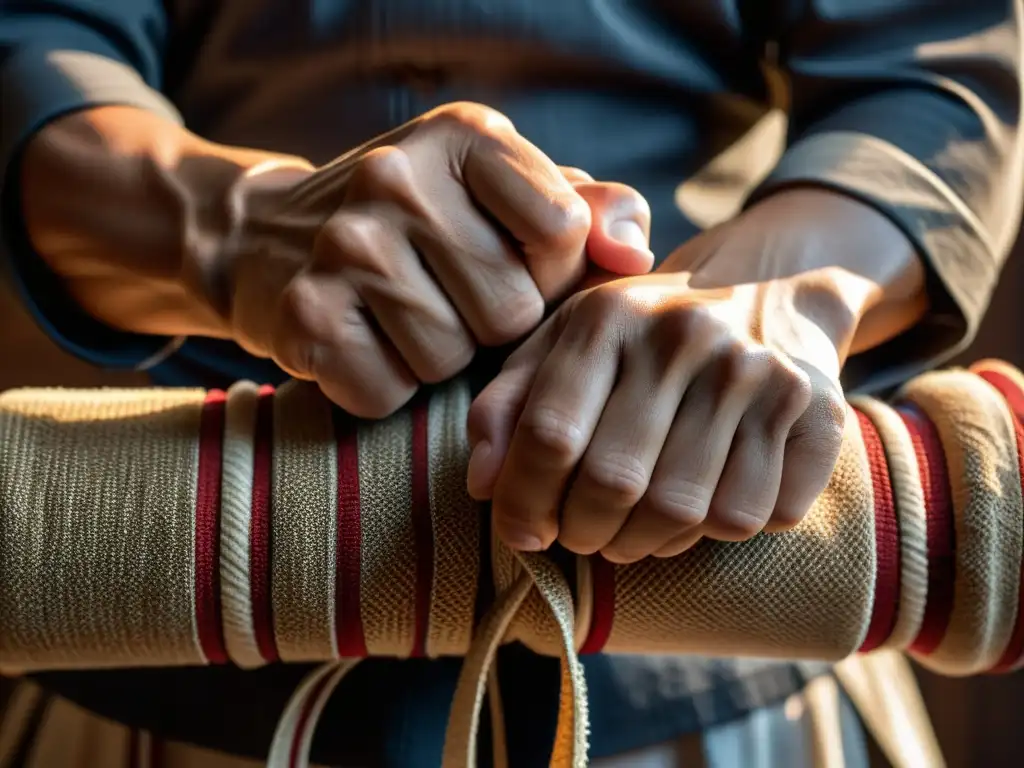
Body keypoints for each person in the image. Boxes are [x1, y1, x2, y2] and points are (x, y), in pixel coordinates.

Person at [0, 1, 1020, 766]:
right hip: (162, 627)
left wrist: (771, 297)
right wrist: (232, 231)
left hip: (716, 661)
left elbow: (928, 63)